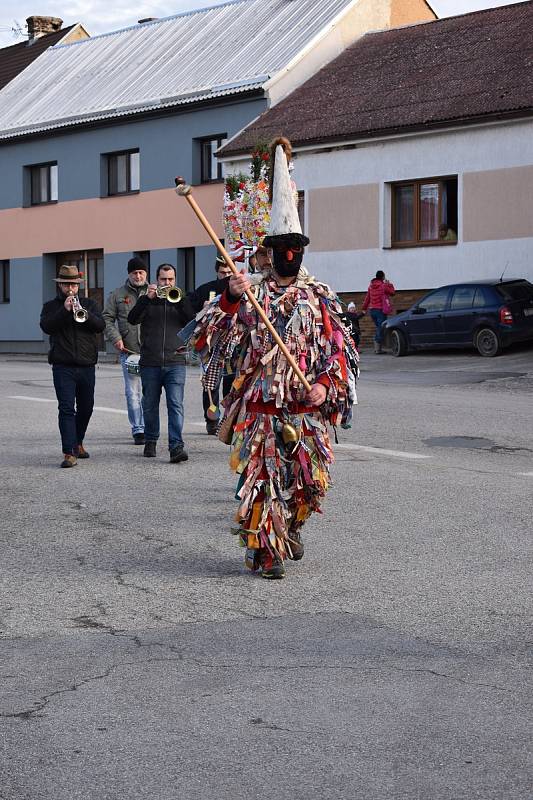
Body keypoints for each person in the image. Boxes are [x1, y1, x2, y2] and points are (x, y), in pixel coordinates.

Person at [192, 137, 358, 579]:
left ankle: (294, 525)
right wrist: (229, 297)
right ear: (269, 249)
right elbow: (210, 337)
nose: (289, 254)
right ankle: (266, 551)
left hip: (306, 406)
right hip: (262, 408)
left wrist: (327, 384)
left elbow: (339, 350)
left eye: (296, 246)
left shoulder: (319, 297)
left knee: (309, 484)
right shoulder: (250, 293)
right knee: (262, 484)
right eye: (282, 246)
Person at [127, 263, 195, 463]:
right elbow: (132, 319)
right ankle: (151, 440)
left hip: (175, 361)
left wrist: (180, 301)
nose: (167, 283)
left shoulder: (181, 299)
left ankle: (176, 446)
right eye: (164, 279)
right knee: (149, 405)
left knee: (175, 405)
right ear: (157, 280)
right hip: (150, 361)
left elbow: (192, 321)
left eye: (171, 279)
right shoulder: (147, 300)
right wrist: (146, 300)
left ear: (175, 280)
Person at [40, 264, 105, 468]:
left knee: (86, 407)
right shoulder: (51, 306)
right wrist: (65, 310)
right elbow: (47, 327)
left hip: (87, 364)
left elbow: (100, 326)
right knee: (66, 408)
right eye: (66, 284)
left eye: (74, 285)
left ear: (79, 285)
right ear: (60, 285)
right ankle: (69, 452)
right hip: (63, 365)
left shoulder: (90, 304)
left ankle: (77, 441)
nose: (70, 288)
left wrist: (82, 312)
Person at [102, 256, 148, 444]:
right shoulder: (117, 295)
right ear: (129, 274)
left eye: (141, 272)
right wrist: (116, 338)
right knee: (133, 392)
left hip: (152, 352)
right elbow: (106, 318)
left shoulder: (155, 292)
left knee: (150, 392)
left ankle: (150, 426)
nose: (138, 276)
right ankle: (138, 429)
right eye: (134, 273)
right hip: (129, 352)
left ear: (146, 273)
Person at [362, 270, 395, 354]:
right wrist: (389, 284)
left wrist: (364, 308)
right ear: (382, 277)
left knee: (379, 328)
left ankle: (378, 348)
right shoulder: (383, 286)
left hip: (372, 310)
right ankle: (377, 349)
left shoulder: (371, 286)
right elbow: (392, 292)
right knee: (380, 328)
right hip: (380, 310)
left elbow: (367, 298)